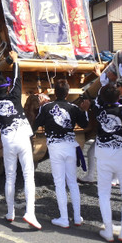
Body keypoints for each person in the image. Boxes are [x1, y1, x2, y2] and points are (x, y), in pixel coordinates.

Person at [0, 51, 41, 230]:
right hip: (21, 137)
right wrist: (15, 60)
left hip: (7, 141)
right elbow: (17, 78)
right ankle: (30, 213)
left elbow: (9, 84)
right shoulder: (14, 97)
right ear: (7, 87)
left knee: (10, 177)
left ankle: (10, 212)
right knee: (28, 176)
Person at [35, 79, 90, 229]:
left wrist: (41, 107)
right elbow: (84, 124)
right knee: (72, 182)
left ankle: (64, 218)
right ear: (67, 93)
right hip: (70, 146)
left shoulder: (47, 107)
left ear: (54, 92)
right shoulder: (73, 107)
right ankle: (77, 217)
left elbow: (36, 123)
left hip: (55, 148)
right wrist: (85, 111)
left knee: (59, 183)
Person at [91, 84, 122, 243]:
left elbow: (96, 99)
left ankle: (108, 230)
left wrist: (102, 82)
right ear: (119, 97)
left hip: (103, 155)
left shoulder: (98, 109)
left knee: (103, 193)